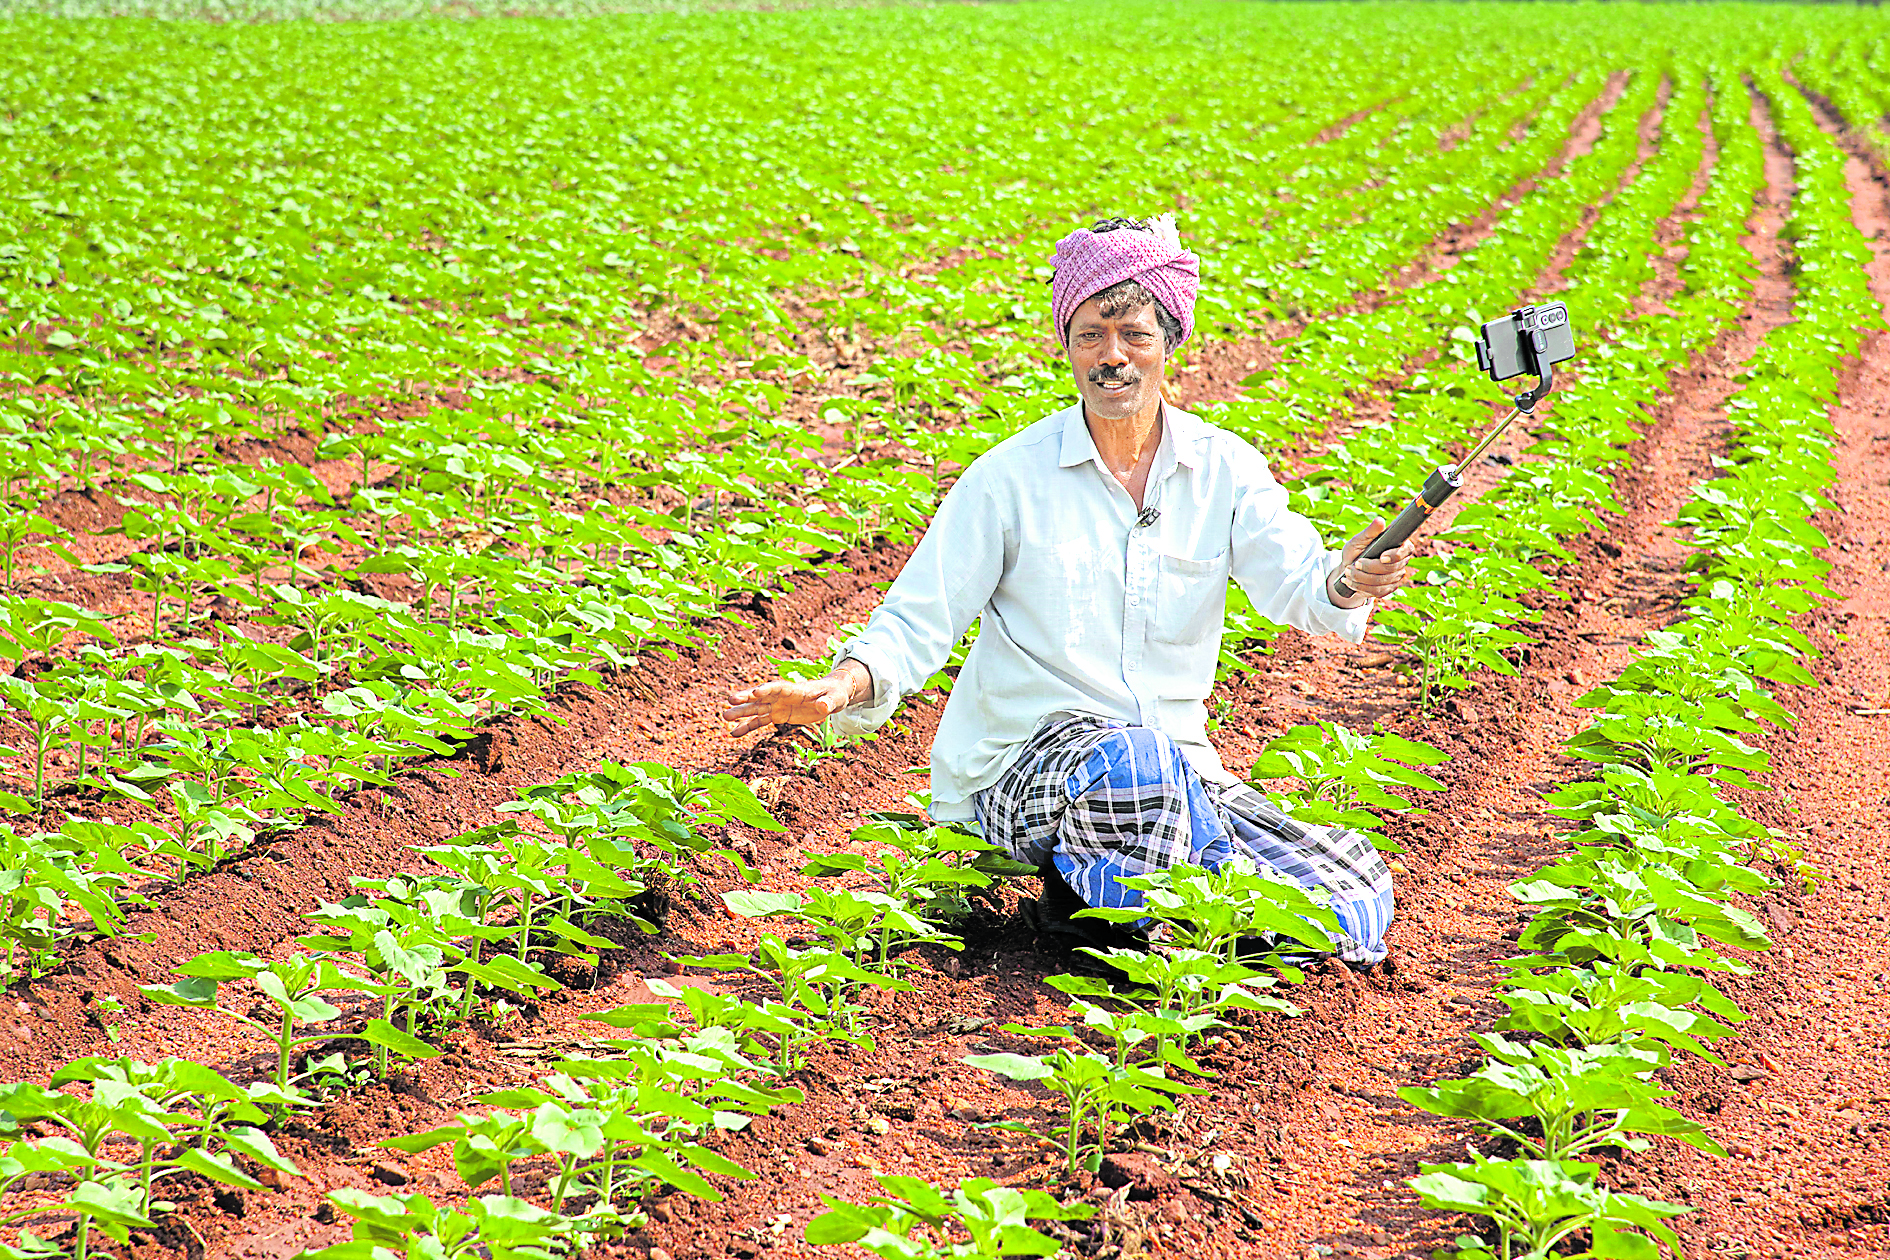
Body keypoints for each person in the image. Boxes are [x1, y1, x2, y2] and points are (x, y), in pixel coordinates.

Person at [721, 214, 1413, 965]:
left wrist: (1349, 581)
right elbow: (920, 615)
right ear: (1067, 346)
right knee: (1136, 766)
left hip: (1171, 771)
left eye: (1134, 335)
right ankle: (1107, 918)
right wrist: (843, 687)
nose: (1112, 357)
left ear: (1169, 343)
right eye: (1091, 335)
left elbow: (1305, 588)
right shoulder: (1010, 478)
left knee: (1347, 887)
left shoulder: (1224, 470)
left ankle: (1151, 916)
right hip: (1019, 769)